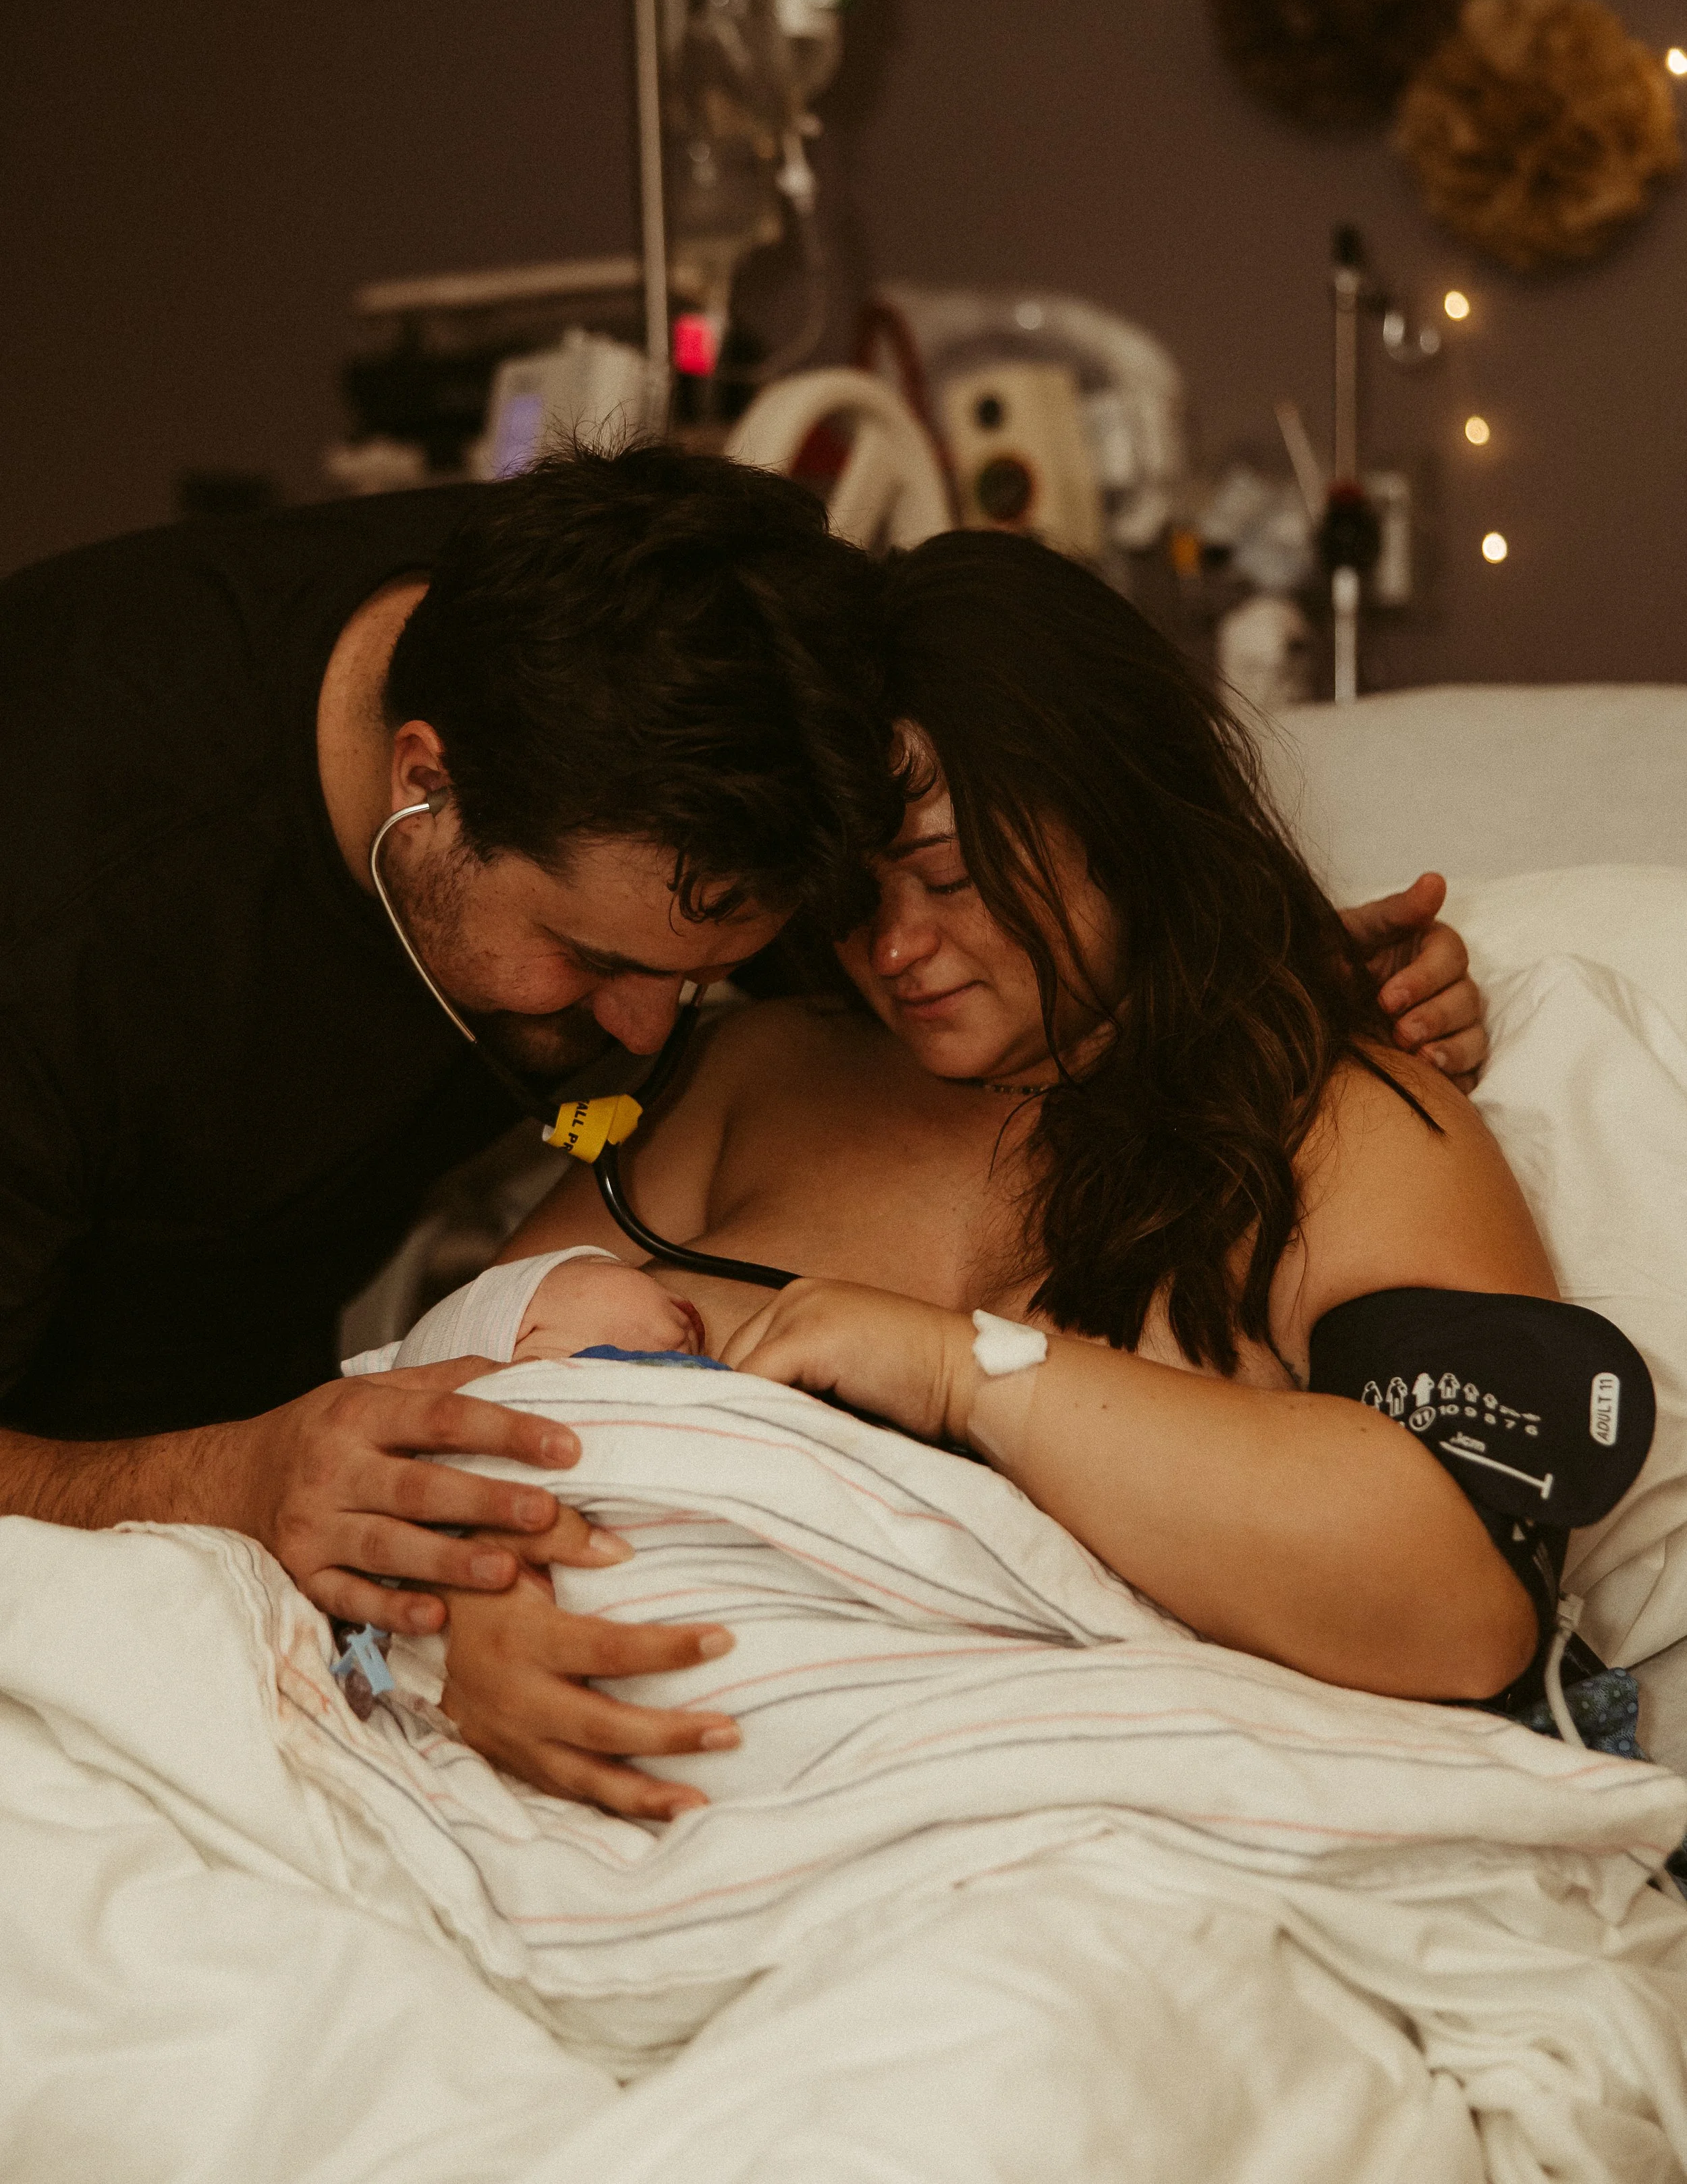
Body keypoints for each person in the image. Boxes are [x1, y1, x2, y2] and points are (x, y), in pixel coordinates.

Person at [436, 532, 1576, 1824]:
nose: (897, 945)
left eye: (951, 873)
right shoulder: (742, 1079)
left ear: (1120, 814)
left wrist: (955, 1370)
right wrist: (474, 1620)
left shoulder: (1339, 1123)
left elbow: (1467, 1604)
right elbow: (454, 1390)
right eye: (850, 897)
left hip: (1069, 1844)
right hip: (599, 1801)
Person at [0, 448, 899, 1674]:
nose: (644, 1030)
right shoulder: (66, 917)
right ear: (425, 785)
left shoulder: (638, 643)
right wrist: (235, 1471)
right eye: (590, 959)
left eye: (693, 975)